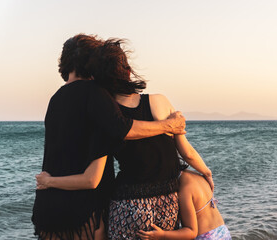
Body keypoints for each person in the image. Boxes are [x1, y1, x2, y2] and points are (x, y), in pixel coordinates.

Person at [35, 38, 214, 239]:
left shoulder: (55, 100)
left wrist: (49, 182)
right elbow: (122, 129)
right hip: (84, 214)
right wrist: (169, 126)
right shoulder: (95, 96)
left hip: (47, 210)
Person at [137, 170, 231, 240]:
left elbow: (190, 232)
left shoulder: (185, 190)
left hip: (206, 237)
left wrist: (162, 235)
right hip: (223, 231)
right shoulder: (197, 175)